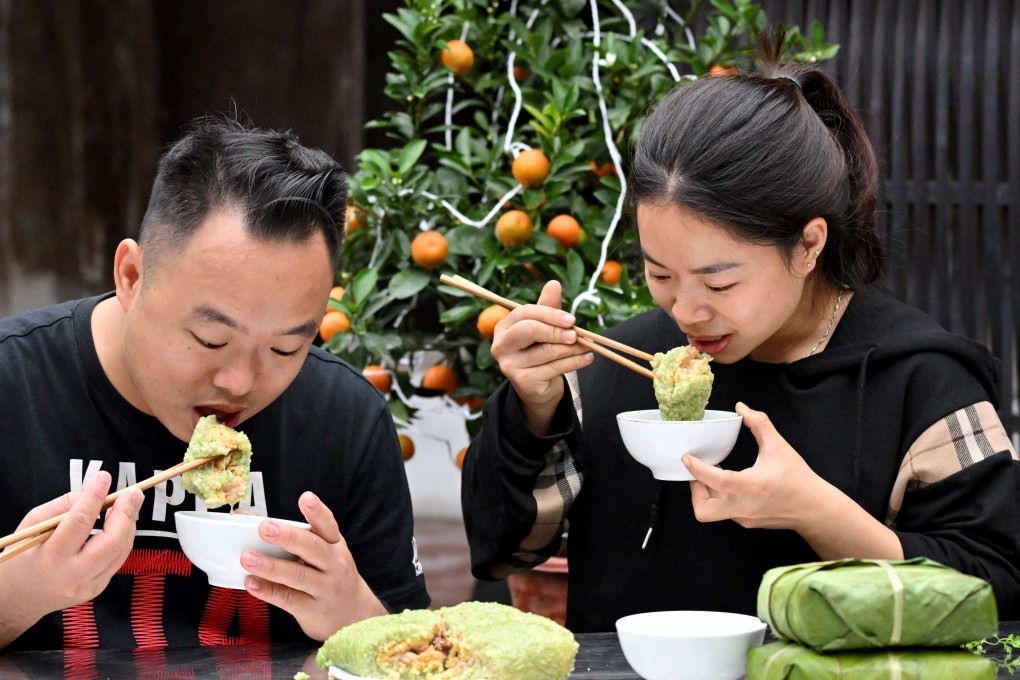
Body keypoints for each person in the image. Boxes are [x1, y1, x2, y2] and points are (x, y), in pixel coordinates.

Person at [461, 59, 1020, 633]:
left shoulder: (923, 379)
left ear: (808, 246)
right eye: (660, 274)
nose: (685, 311)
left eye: (720, 283)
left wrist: (813, 510)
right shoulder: (614, 362)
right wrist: (531, 407)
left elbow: (994, 595)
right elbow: (505, 552)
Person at [0, 115, 429, 652]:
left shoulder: (346, 419)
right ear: (131, 276)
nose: (241, 381)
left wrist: (355, 618)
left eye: (286, 348)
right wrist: (16, 596)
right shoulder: (12, 385)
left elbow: (420, 654)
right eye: (210, 339)